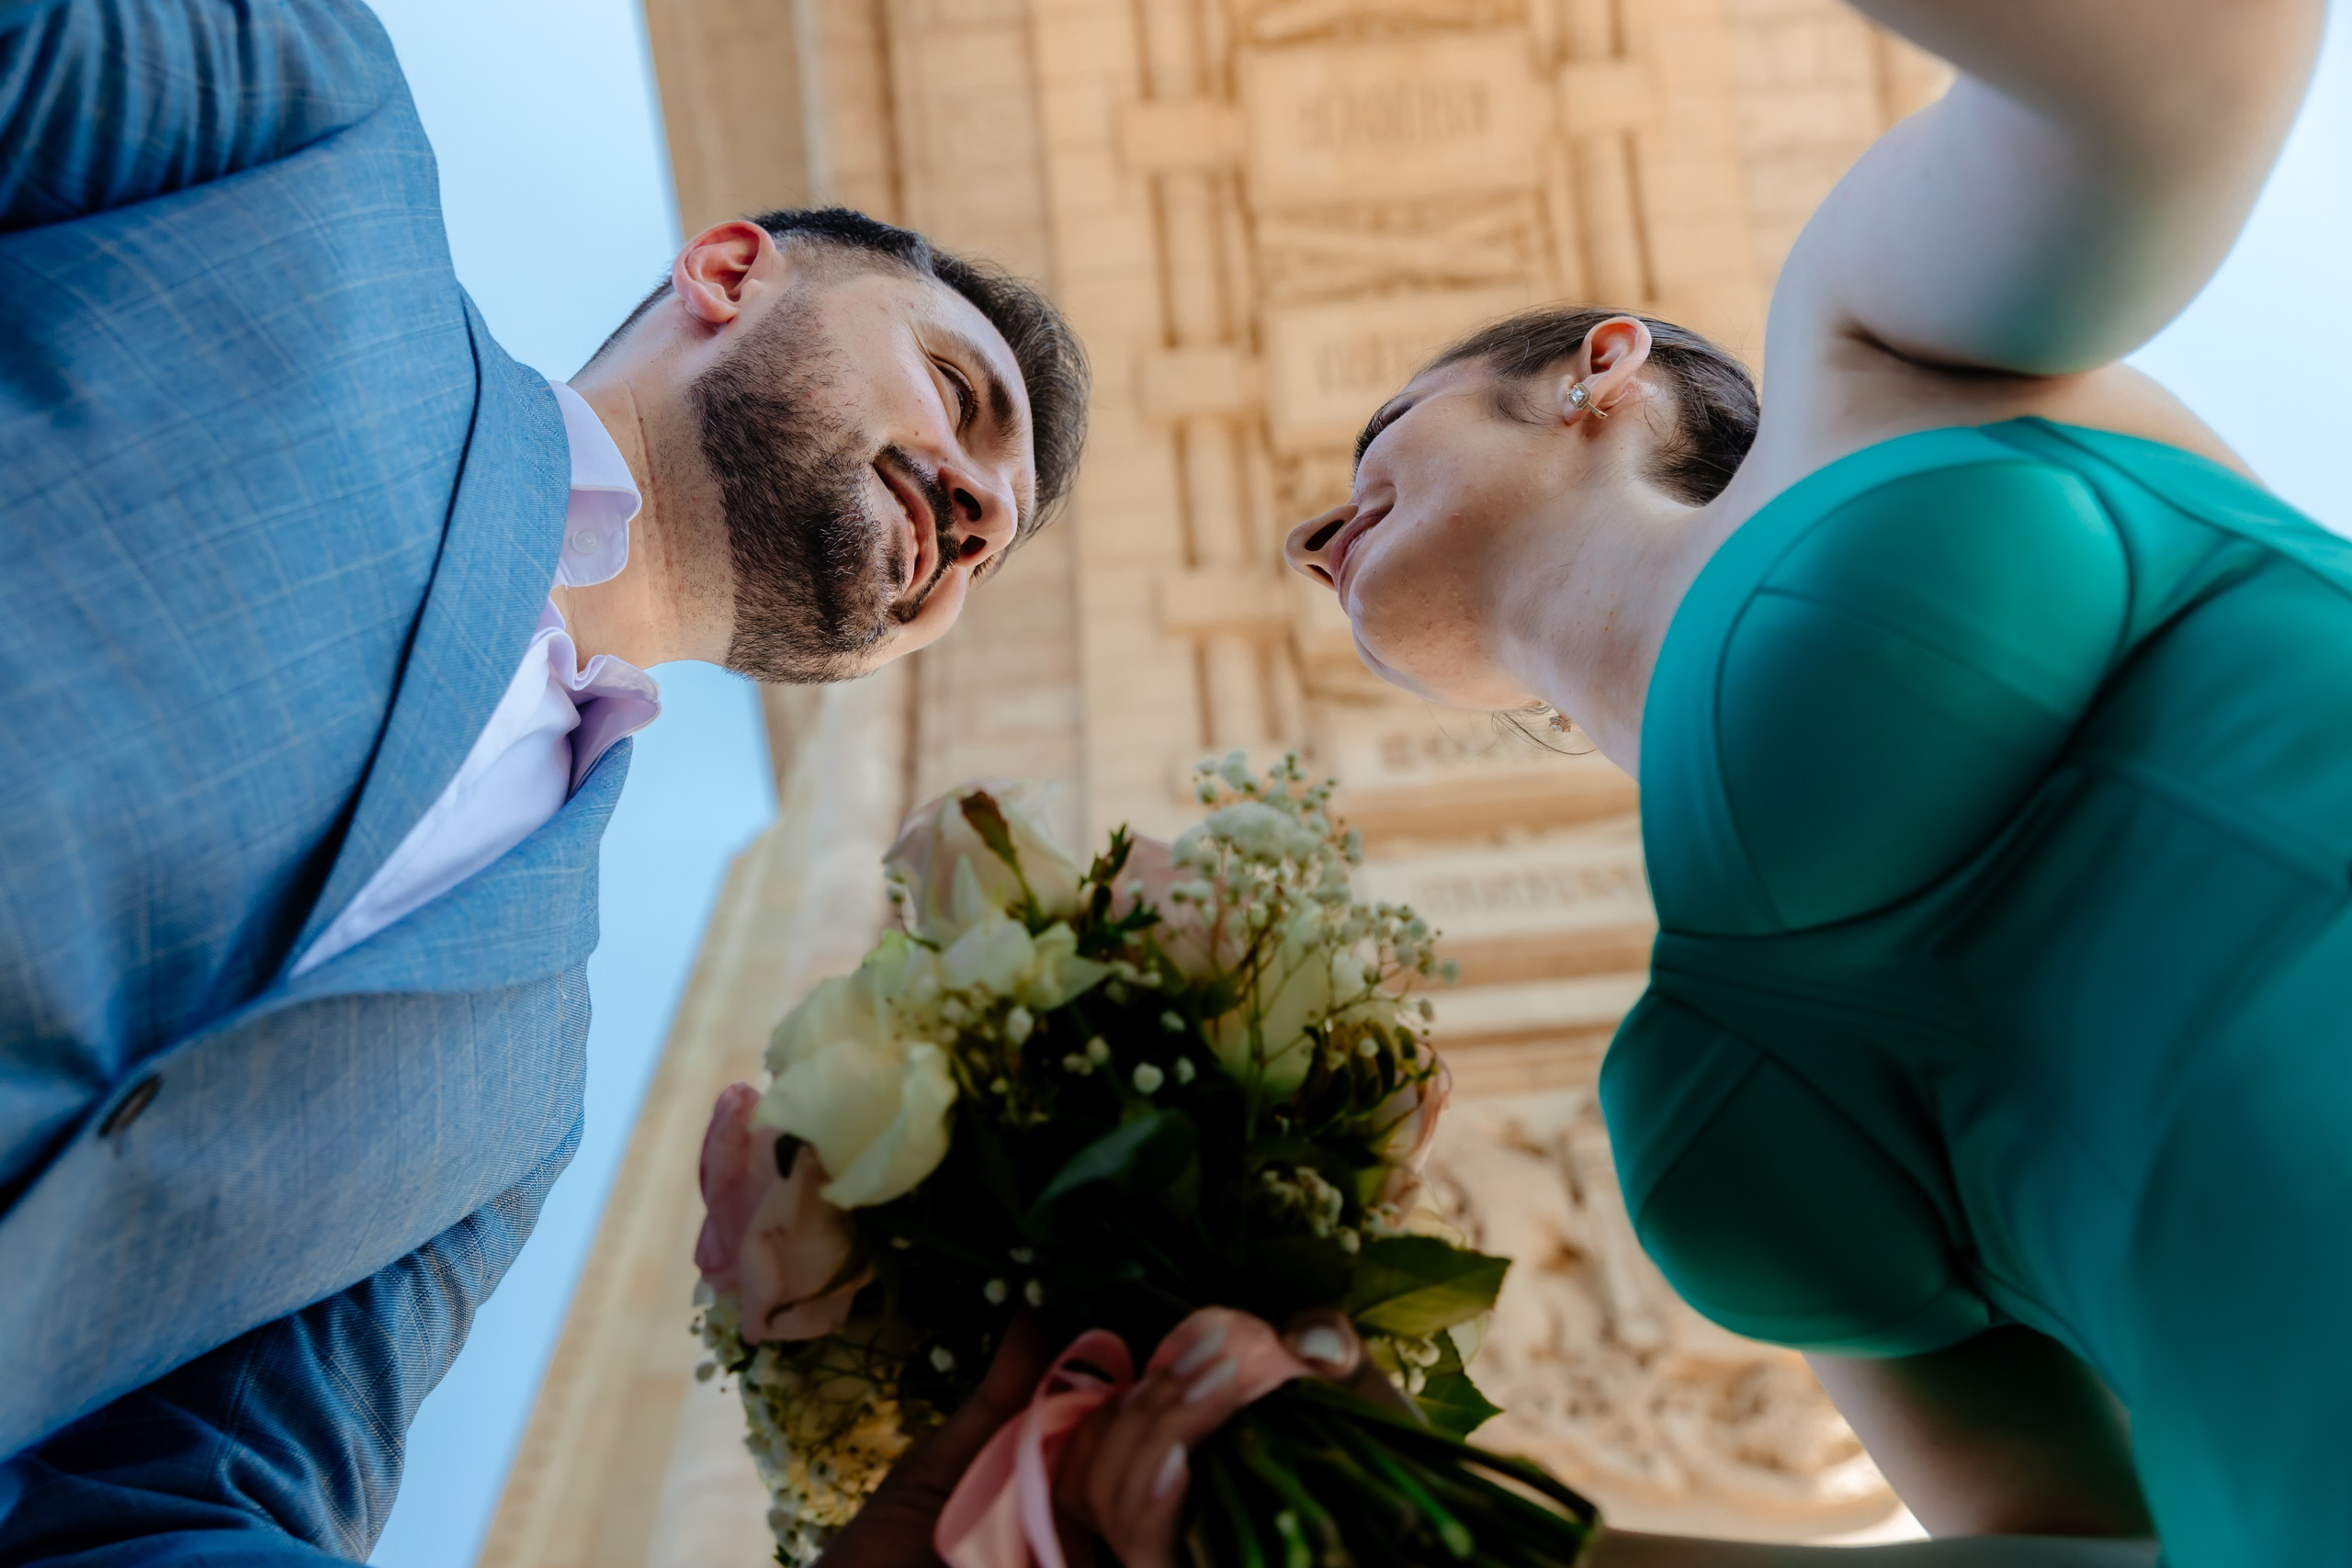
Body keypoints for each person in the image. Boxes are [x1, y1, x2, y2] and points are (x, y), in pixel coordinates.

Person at [1061, 0, 2343, 1564]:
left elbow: (2198, 60)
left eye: (1379, 440)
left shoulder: (1867, 354)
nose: (1311, 540)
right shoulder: (1680, 1070)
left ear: (1604, 369)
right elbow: (2071, 1544)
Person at [0, 0, 1085, 1561]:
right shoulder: (305, 151)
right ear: (726, 274)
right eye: (956, 391)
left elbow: (205, 1502)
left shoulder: (520, 1110)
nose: (978, 505)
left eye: (997, 533)